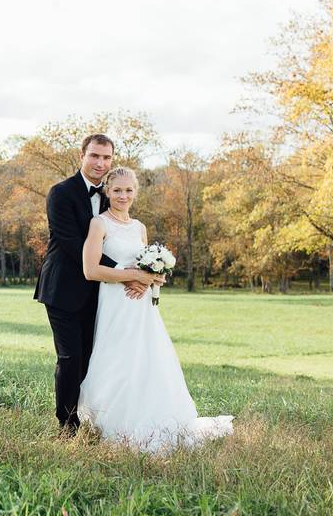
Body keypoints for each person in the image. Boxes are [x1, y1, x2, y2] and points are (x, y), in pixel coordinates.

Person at [79, 166, 234, 453]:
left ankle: (153, 415)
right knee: (118, 357)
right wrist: (133, 277)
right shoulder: (99, 224)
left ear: (135, 192)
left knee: (148, 358)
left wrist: (152, 279)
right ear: (107, 192)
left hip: (141, 307)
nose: (123, 195)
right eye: (117, 190)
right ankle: (115, 423)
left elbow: (149, 268)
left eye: (128, 190)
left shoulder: (139, 227)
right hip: (115, 304)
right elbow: (91, 270)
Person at [34, 134, 149, 436]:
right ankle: (67, 425)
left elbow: (123, 237)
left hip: (102, 294)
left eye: (106, 157)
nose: (100, 163)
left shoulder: (112, 195)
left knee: (95, 360)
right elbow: (72, 244)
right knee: (71, 358)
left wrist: (143, 275)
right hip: (63, 289)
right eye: (95, 156)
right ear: (82, 156)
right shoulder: (61, 193)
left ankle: (96, 418)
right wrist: (127, 272)